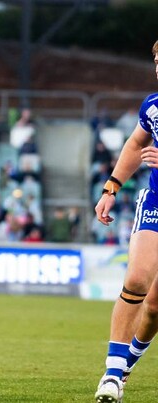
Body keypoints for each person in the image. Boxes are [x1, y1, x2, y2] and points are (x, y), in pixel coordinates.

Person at [93, 39, 158, 403]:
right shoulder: (153, 106)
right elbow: (135, 145)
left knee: (156, 307)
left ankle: (128, 363)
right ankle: (113, 374)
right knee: (136, 278)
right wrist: (111, 187)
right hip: (156, 201)